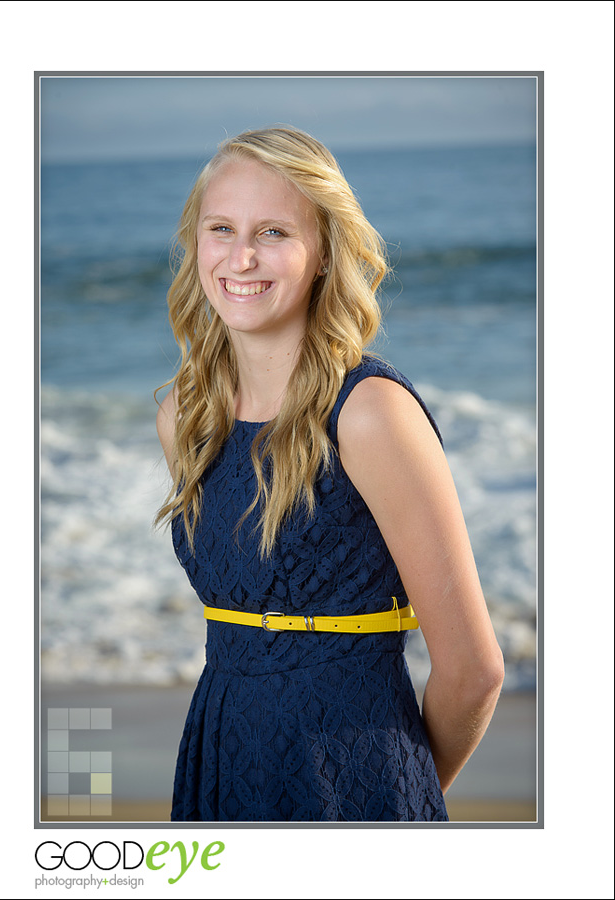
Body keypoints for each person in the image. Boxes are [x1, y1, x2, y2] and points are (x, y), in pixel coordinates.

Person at [156, 125, 504, 822]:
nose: (242, 256)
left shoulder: (369, 412)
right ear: (196, 243)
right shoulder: (184, 416)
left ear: (321, 255)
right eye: (221, 228)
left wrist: (393, 795)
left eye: (275, 232)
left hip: (356, 786)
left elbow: (473, 672)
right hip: (221, 765)